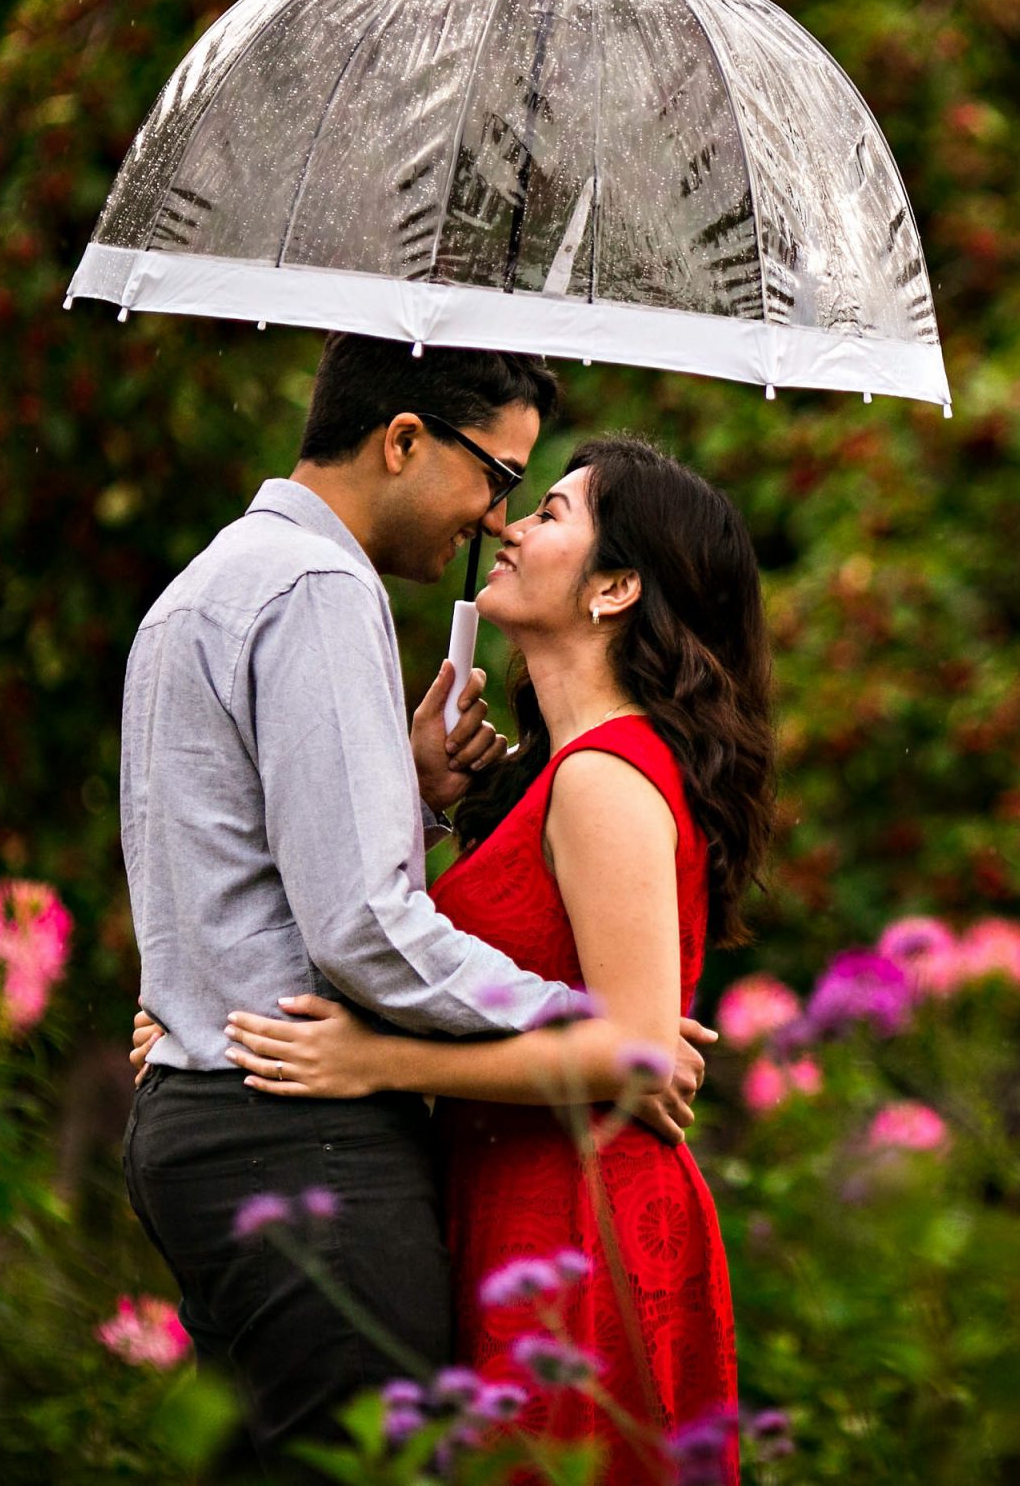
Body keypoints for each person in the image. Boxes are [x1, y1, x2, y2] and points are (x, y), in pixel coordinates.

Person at [117, 335, 715, 1475]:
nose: (498, 516)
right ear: (402, 440)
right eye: (499, 476)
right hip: (302, 1131)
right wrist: (586, 1027)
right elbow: (361, 928)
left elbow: (235, 868)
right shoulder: (322, 586)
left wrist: (411, 797)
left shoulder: (206, 582)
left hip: (207, 1122)